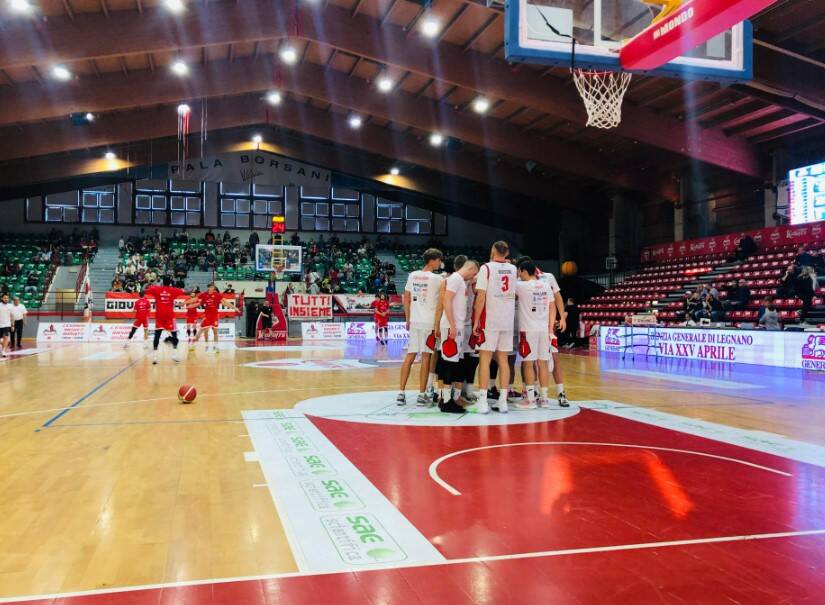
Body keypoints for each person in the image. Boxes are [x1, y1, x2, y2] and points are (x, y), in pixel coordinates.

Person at [471, 241, 517, 414]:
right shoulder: (513, 269)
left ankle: (483, 402)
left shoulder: (486, 268)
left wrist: (476, 320)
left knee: (485, 358)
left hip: (490, 319)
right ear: (507, 253)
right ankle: (503, 401)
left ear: (493, 251)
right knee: (503, 360)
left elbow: (481, 297)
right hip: (507, 319)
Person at [397, 248, 443, 406]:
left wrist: (407, 319)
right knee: (425, 358)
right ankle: (421, 395)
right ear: (432, 261)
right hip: (429, 322)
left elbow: (407, 299)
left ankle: (401, 393)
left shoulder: (412, 275)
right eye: (438, 260)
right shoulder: (438, 279)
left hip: (415, 321)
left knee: (409, 356)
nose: (440, 263)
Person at [434, 258, 479, 413]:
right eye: (475, 273)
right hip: (451, 327)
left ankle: (448, 399)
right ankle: (446, 401)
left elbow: (470, 281)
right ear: (472, 269)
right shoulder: (455, 279)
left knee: (453, 363)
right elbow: (447, 301)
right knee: (448, 363)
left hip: (456, 327)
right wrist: (452, 325)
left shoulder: (460, 280)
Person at [513, 260, 557, 409]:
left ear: (524, 271)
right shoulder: (545, 285)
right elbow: (553, 307)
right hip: (544, 329)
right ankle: (544, 400)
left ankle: (530, 400)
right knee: (543, 363)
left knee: (528, 364)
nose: (519, 274)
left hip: (528, 330)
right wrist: (550, 328)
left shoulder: (521, 286)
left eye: (519, 271)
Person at [144, 276, 186, 364]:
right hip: (169, 317)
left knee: (157, 336)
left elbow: (145, 290)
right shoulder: (174, 290)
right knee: (175, 336)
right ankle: (174, 354)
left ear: (162, 282)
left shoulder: (156, 289)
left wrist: (149, 284)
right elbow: (184, 292)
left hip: (159, 316)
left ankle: (155, 357)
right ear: (170, 283)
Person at [195, 282, 230, 352]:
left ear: (214, 288)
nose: (211, 288)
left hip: (215, 316)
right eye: (210, 287)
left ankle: (215, 346)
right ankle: (206, 345)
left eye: (213, 287)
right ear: (208, 287)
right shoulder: (204, 295)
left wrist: (234, 307)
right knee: (204, 331)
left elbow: (225, 303)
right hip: (207, 315)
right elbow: (198, 302)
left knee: (215, 332)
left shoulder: (217, 295)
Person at [0, 293, 12, 357]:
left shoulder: (10, 306)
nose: (6, 299)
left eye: (7, 298)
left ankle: (4, 351)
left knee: (6, 337)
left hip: (7, 324)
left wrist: (12, 324)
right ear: (2, 298)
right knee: (2, 340)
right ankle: (3, 344)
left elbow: (11, 315)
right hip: (0, 325)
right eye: (5, 298)